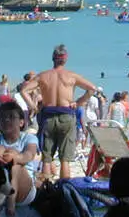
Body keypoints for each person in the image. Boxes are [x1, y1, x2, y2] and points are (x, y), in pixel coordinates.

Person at [19, 44, 96, 179]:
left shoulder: (43, 76)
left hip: (48, 116)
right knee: (65, 159)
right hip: (66, 115)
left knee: (47, 157)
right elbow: (92, 88)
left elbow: (24, 90)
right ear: (65, 60)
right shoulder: (71, 75)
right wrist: (78, 103)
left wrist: (33, 106)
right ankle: (64, 189)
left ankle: (46, 188)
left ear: (53, 59)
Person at [0, 101, 40, 215]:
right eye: (2, 118)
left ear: (21, 122)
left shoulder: (29, 138)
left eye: (11, 117)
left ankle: (11, 202)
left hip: (24, 189)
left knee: (14, 164)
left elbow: (29, 155)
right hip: (0, 183)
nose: (6, 120)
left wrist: (15, 157)